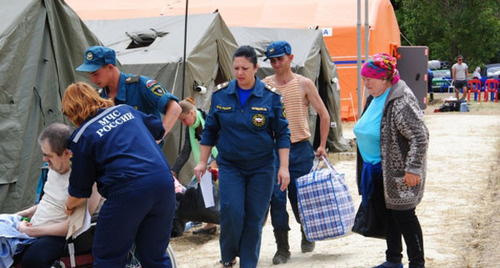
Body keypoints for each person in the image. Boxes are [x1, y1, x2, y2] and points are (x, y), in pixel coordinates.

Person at [193, 45, 290, 268]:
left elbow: (283, 133)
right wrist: (201, 162)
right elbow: (210, 131)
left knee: (254, 218)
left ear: (256, 68)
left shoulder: (270, 97)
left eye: (245, 68)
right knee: (232, 212)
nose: (239, 73)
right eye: (236, 68)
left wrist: (283, 168)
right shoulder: (221, 94)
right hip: (231, 166)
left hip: (262, 167)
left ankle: (248, 263)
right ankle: (228, 256)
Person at [61, 82, 176, 267]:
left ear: (71, 110)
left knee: (108, 255)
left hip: (127, 190)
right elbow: (158, 129)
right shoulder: (125, 110)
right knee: (154, 255)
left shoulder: (82, 136)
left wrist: (68, 206)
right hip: (163, 181)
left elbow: (80, 190)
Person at [353, 53, 428, 268]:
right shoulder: (374, 98)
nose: (365, 83)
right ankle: (393, 259)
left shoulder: (401, 100)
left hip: (398, 173)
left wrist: (413, 168)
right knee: (388, 216)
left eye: (369, 78)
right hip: (375, 170)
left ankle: (417, 263)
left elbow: (420, 136)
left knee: (405, 218)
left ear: (385, 78)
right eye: (364, 78)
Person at [261, 40, 331, 264]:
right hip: (273, 151)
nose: (276, 64)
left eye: (279, 59)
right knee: (277, 199)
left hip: (300, 148)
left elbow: (324, 113)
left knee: (301, 197)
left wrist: (321, 144)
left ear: (290, 58)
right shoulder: (264, 86)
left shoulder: (304, 84)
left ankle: (306, 230)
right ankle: (282, 248)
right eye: (272, 60)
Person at [13, 123, 101, 268]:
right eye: (43, 154)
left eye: (49, 155)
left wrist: (29, 231)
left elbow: (72, 226)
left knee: (32, 257)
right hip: (36, 226)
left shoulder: (85, 177)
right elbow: (50, 201)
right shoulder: (55, 168)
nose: (44, 160)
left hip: (66, 236)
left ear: (68, 153)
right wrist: (21, 214)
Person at [75, 46, 181, 143]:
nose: (92, 80)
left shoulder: (140, 85)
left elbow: (175, 108)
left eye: (95, 74)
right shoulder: (98, 97)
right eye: (90, 75)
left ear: (110, 67)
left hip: (145, 158)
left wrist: (156, 140)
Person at [172, 97, 219, 235]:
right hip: (206, 160)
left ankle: (226, 221)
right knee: (203, 188)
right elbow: (185, 151)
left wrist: (217, 161)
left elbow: (224, 141)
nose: (183, 123)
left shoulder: (210, 119)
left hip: (222, 156)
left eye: (184, 119)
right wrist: (174, 170)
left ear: (192, 113)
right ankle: (210, 224)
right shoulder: (190, 128)